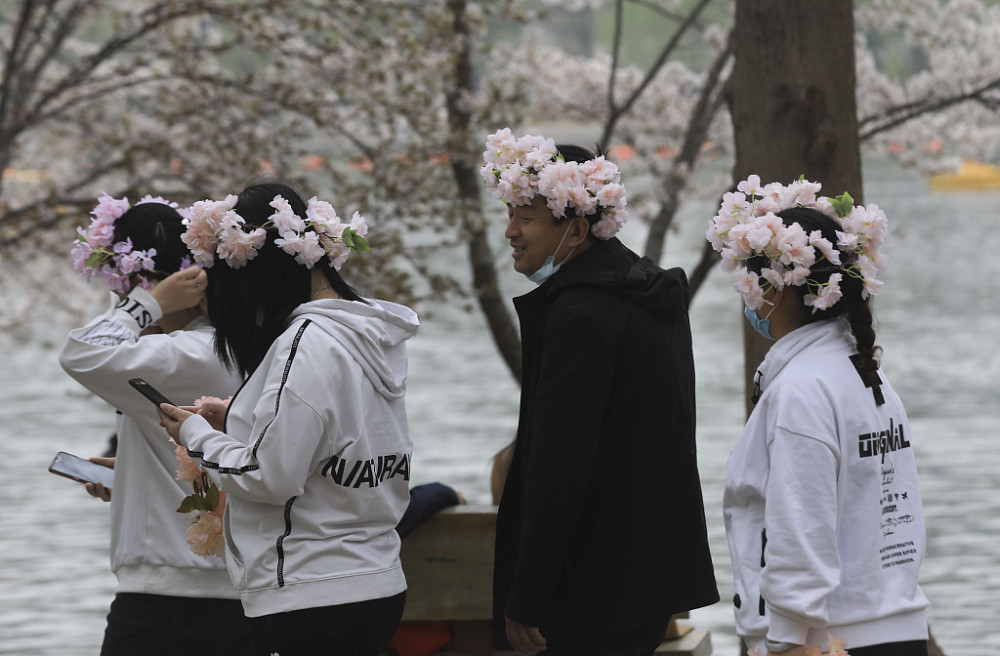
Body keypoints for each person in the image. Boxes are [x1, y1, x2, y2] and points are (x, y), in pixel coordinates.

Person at [481, 129, 719, 656]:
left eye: (526, 217)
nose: (510, 231)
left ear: (577, 228)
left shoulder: (580, 316)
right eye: (509, 214)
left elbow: (559, 467)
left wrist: (527, 596)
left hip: (588, 588)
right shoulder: (649, 294)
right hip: (646, 576)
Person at [157, 178, 419, 656]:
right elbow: (338, 439)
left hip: (309, 595)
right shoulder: (369, 334)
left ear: (256, 272)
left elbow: (268, 476)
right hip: (377, 583)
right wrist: (238, 420)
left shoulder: (305, 343)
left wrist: (194, 434)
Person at [707, 176, 930, 656]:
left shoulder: (802, 389)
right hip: (891, 627)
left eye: (751, 280)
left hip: (826, 640)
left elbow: (799, 524)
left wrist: (787, 640)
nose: (746, 294)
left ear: (777, 288)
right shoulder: (865, 374)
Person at [59, 195, 250, 655]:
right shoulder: (235, 344)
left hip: (172, 597)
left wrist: (145, 304)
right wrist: (131, 472)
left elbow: (82, 351)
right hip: (237, 595)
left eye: (120, 289)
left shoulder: (185, 353)